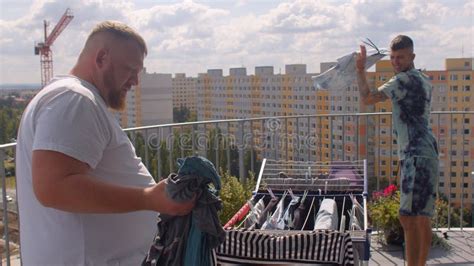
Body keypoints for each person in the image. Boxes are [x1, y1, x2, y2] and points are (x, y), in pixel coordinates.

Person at [15, 21, 195, 265]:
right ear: (101, 58)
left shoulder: (73, 98)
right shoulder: (74, 99)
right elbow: (54, 187)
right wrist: (149, 198)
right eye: (130, 70)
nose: (135, 82)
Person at [356, 35, 439, 266]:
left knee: (409, 217)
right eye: (392, 57)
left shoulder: (402, 81)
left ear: (411, 56)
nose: (395, 61)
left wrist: (361, 70)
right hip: (426, 153)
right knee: (421, 218)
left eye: (400, 57)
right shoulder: (422, 78)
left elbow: (368, 98)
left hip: (415, 154)